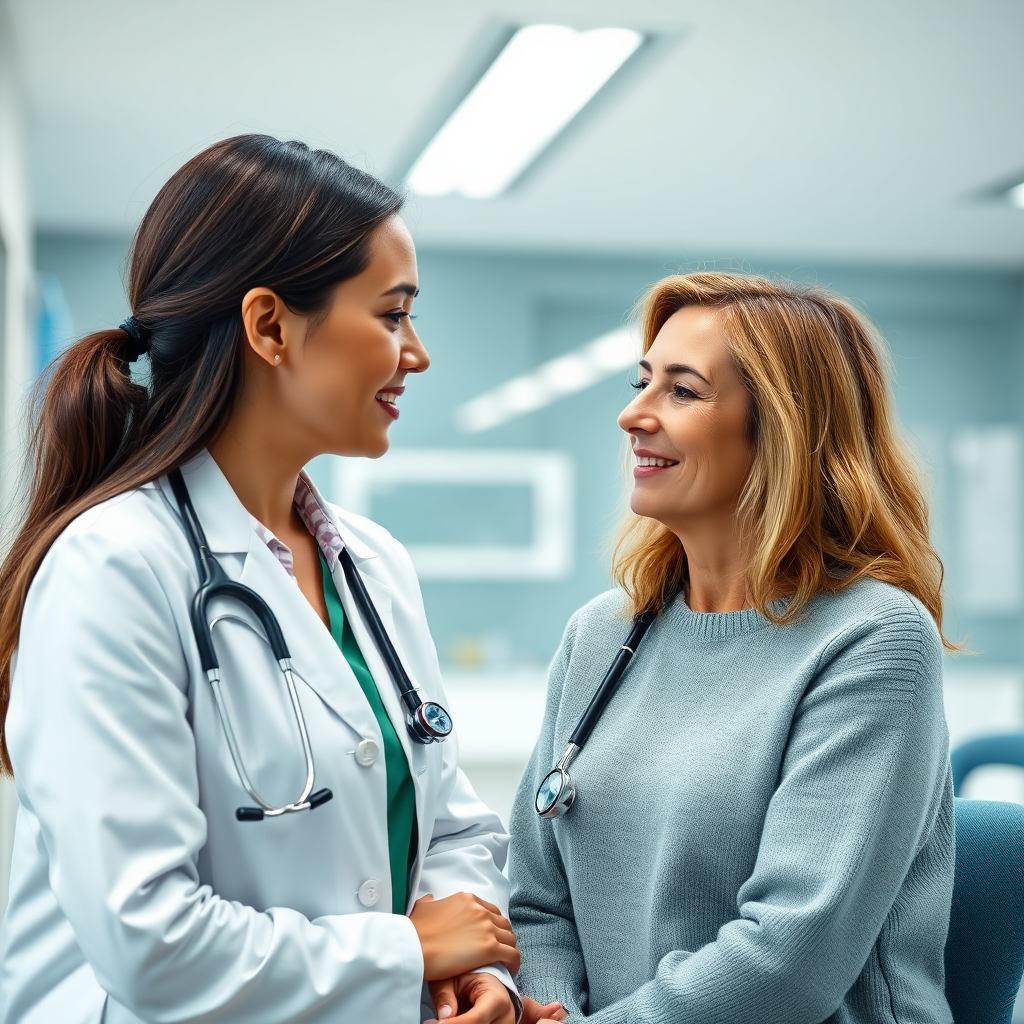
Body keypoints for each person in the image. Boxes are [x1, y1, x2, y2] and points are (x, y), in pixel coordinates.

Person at [0, 135, 564, 1024]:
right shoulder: (113, 568)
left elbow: (452, 827)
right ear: (269, 326)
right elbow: (149, 941)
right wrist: (408, 951)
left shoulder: (372, 565)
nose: (414, 353)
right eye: (391, 314)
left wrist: (470, 976)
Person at [509, 272, 955, 1024]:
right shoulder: (600, 634)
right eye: (641, 381)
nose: (631, 415)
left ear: (781, 427)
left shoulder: (875, 639)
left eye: (681, 391)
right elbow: (538, 904)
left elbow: (788, 960)